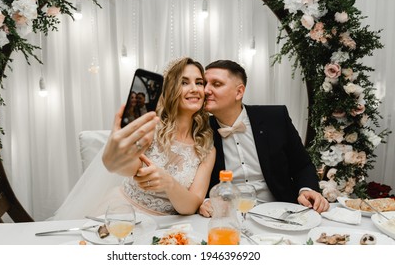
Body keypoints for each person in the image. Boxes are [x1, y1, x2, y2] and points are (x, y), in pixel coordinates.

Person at [52, 57, 215, 219]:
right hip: (124, 213)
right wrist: (117, 157)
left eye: (199, 82)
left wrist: (169, 183)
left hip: (170, 226)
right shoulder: (150, 126)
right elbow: (129, 168)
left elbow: (192, 205)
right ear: (170, 88)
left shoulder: (206, 147)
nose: (194, 89)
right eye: (184, 82)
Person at [198, 60, 329, 217]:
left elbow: (302, 165)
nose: (205, 90)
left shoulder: (275, 118)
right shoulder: (199, 129)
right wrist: (204, 201)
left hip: (280, 212)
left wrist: (307, 190)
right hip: (228, 216)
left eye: (216, 84)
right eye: (204, 84)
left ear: (239, 92)